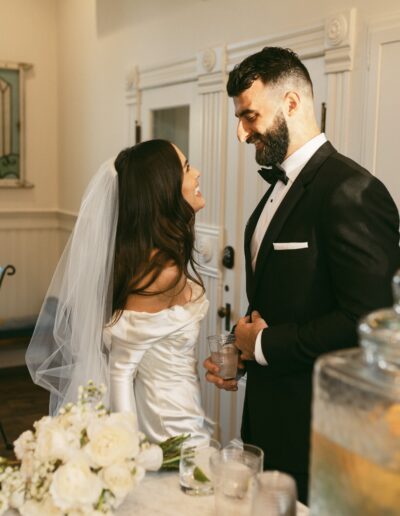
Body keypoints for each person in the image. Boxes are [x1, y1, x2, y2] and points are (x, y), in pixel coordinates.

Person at [204, 46, 400, 503]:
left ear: (291, 103)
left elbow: (370, 320)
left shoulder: (352, 190)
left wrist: (267, 346)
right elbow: (280, 301)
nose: (241, 132)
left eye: (250, 116)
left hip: (318, 429)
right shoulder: (276, 191)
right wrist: (243, 351)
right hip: (267, 416)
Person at [26, 139, 212, 443]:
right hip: (167, 431)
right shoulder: (161, 273)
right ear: (163, 189)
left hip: (184, 412)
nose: (197, 174)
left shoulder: (159, 258)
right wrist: (132, 452)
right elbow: (121, 371)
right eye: (187, 168)